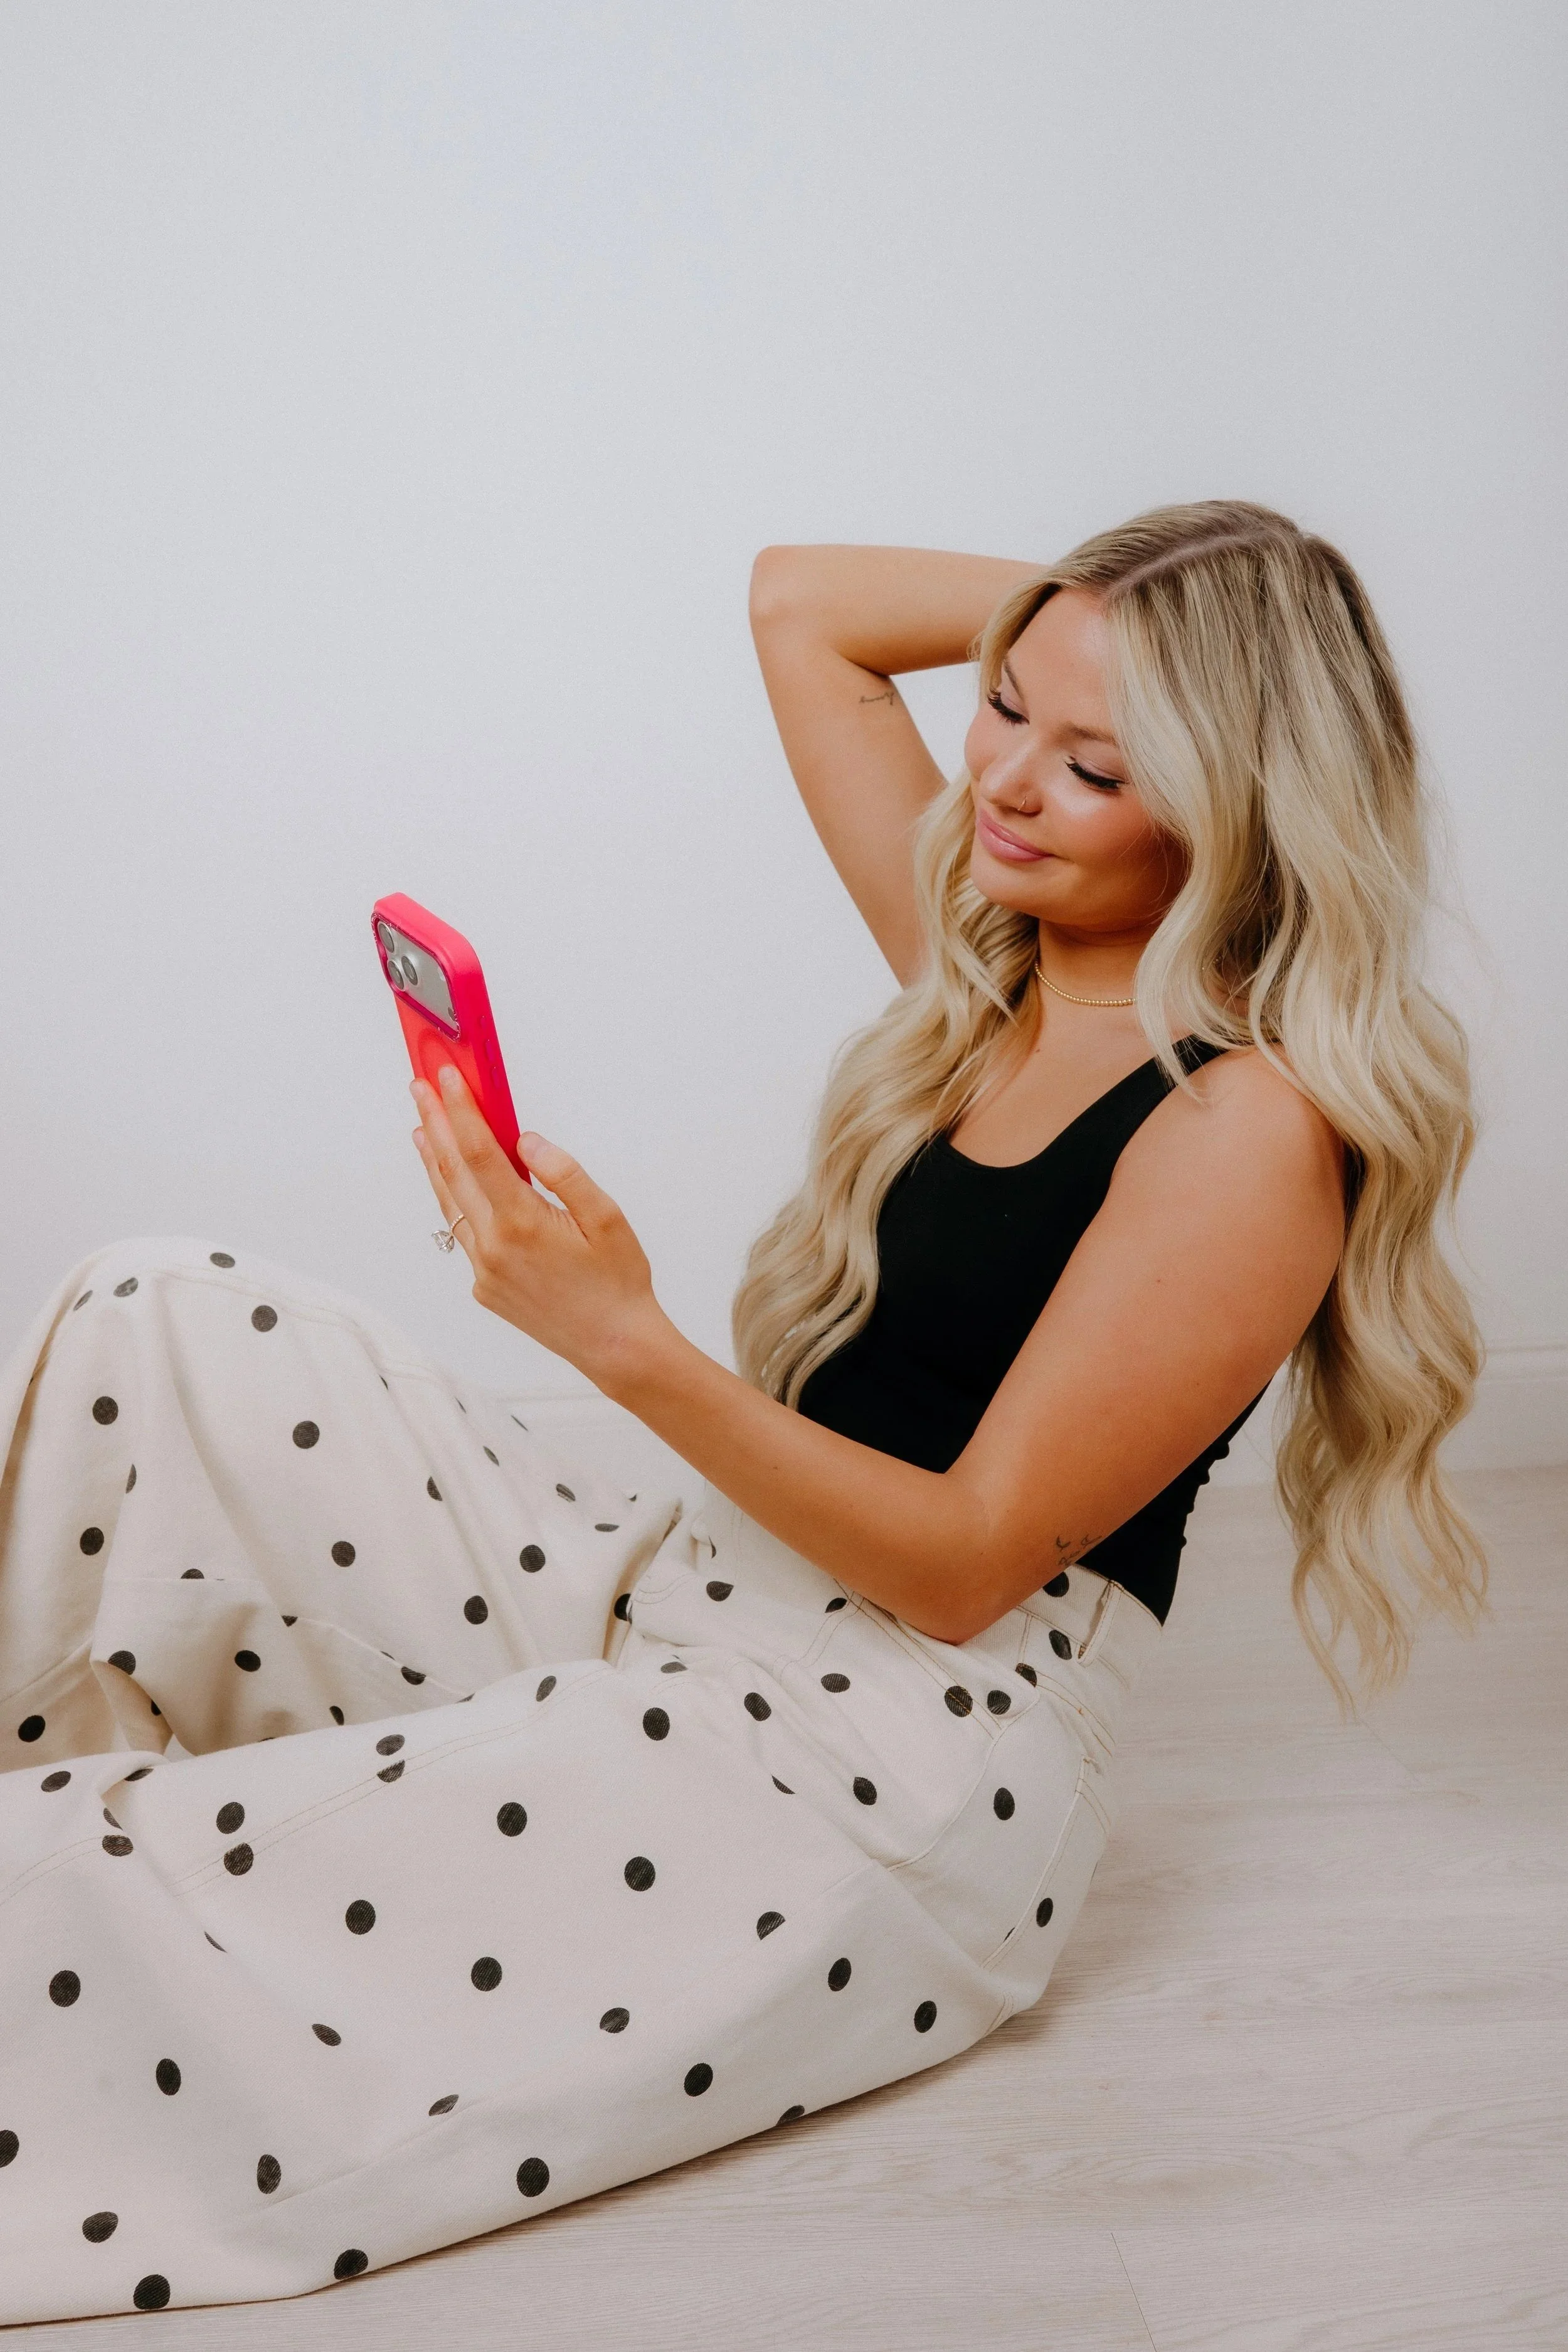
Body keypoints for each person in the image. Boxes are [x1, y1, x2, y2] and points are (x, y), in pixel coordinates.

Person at [0, 501, 1484, 2322]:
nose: (1000, 778)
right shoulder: (991, 955)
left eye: (1090, 761)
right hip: (694, 1594)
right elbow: (803, 606)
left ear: (1234, 801)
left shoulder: (1244, 1127)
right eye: (1004, 702)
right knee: (168, 1317)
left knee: (102, 1881)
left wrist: (617, 1342)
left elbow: (956, 1573)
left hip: (893, 1758)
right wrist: (1125, 625)